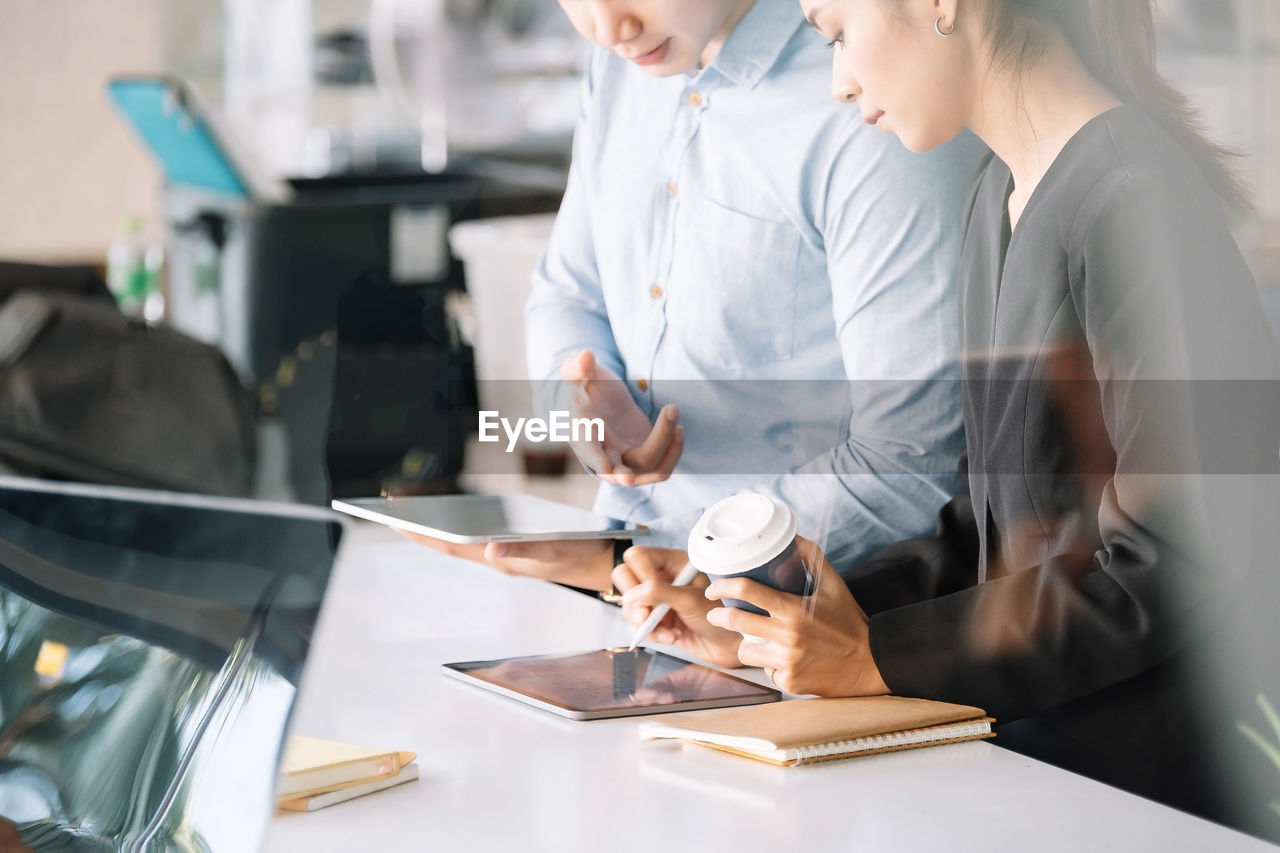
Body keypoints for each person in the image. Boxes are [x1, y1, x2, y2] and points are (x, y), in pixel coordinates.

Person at [614, 0, 1280, 827]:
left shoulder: (1137, 201)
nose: (839, 81)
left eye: (837, 33)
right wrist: (775, 623)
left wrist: (879, 655)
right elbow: (988, 529)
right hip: (1024, 774)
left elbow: (1179, 563)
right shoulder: (997, 196)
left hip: (1147, 801)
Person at [406, 0, 988, 594]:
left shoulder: (874, 94)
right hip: (632, 586)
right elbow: (566, 292)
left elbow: (913, 464)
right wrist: (583, 404)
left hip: (809, 621)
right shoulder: (615, 68)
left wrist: (659, 560)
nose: (608, 29)